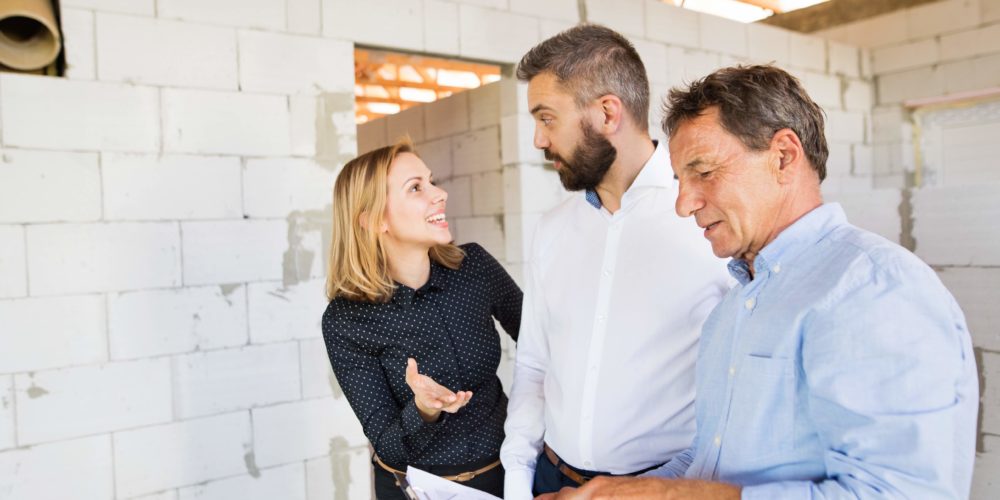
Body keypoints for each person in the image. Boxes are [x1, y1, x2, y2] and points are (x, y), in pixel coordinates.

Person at [541, 65, 979, 499]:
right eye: (680, 179)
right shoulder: (734, 308)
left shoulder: (875, 290)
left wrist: (666, 495)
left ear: (784, 156)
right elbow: (708, 459)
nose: (683, 204)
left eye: (705, 171)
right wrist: (609, 493)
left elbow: (898, 493)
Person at [500, 24, 731, 500]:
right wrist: (519, 480)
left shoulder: (709, 220)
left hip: (658, 487)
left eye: (547, 118)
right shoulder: (551, 229)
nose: (539, 141)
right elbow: (534, 366)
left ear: (608, 112)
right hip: (550, 481)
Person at [321, 140, 522, 499]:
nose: (439, 193)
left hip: (505, 478)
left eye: (431, 181)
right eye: (416, 188)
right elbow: (388, 445)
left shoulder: (474, 266)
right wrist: (423, 410)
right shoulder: (346, 320)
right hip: (413, 491)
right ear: (373, 219)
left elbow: (544, 346)